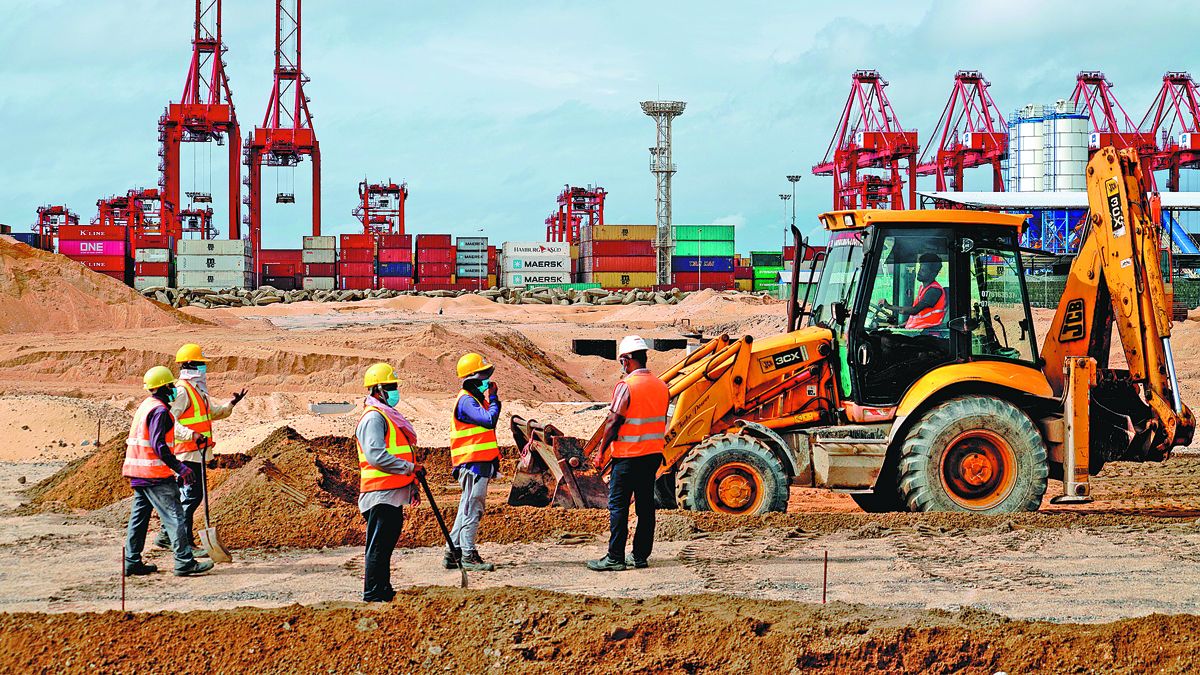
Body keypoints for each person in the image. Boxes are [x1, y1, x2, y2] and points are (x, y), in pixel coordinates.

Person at [152, 343, 246, 556]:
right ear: (190, 366)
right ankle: (183, 543)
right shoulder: (183, 392)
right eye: (201, 365)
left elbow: (212, 413)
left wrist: (231, 404)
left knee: (189, 496)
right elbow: (170, 422)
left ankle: (168, 536)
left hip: (198, 453)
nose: (204, 369)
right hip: (187, 453)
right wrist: (191, 435)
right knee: (191, 497)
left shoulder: (198, 392)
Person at [587, 335, 669, 572]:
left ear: (626, 360)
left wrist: (601, 451)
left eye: (621, 361)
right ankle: (640, 556)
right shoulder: (661, 386)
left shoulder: (627, 386)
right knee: (645, 507)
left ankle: (615, 557)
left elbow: (613, 421)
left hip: (627, 456)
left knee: (619, 507)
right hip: (652, 455)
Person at [123, 366, 214, 577]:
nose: (174, 389)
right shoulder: (160, 411)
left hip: (138, 471)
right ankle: (184, 562)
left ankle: (131, 560)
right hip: (155, 474)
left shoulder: (147, 405)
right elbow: (159, 445)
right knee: (175, 517)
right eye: (171, 385)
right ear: (163, 387)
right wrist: (180, 468)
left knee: (139, 518)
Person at [356, 362, 424, 602]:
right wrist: (408, 468)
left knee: (385, 546)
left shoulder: (385, 415)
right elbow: (376, 456)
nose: (395, 391)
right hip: (380, 494)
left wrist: (411, 481)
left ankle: (383, 589)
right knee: (378, 546)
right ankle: (373, 593)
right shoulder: (373, 418)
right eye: (390, 386)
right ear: (377, 390)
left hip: (392, 492)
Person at [445, 352, 501, 573]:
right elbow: (489, 421)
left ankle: (453, 551)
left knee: (465, 507)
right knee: (472, 508)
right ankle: (468, 554)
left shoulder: (475, 399)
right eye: (484, 375)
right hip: (472, 464)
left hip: (478, 463)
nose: (487, 380)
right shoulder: (467, 400)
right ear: (473, 378)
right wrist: (495, 399)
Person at [880, 253, 946, 329]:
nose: (919, 272)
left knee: (885, 339)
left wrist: (889, 306)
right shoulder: (923, 288)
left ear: (933, 274)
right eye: (920, 269)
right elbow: (916, 318)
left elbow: (914, 311)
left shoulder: (934, 291)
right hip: (918, 331)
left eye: (923, 270)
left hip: (927, 333)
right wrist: (898, 326)